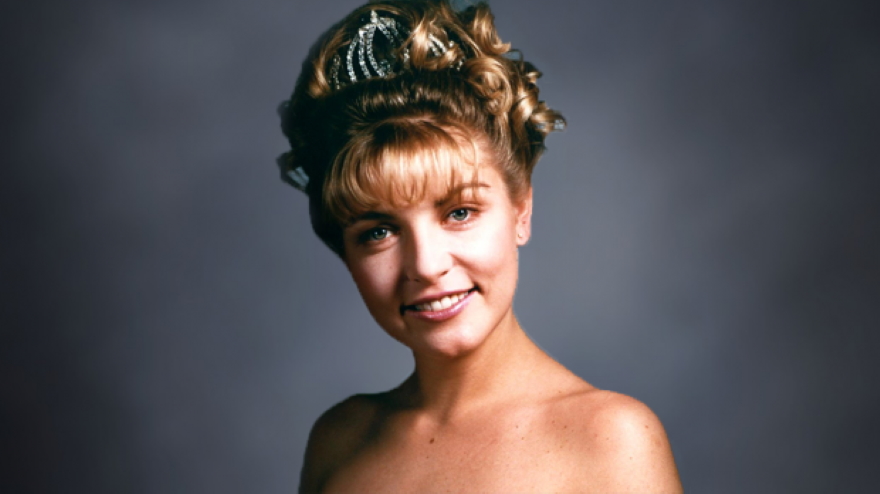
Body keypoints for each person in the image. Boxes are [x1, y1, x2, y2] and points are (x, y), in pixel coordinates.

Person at [278, 1, 682, 492]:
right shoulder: (340, 440)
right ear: (345, 252)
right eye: (379, 232)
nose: (426, 265)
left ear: (520, 210)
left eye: (459, 213)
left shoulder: (611, 440)